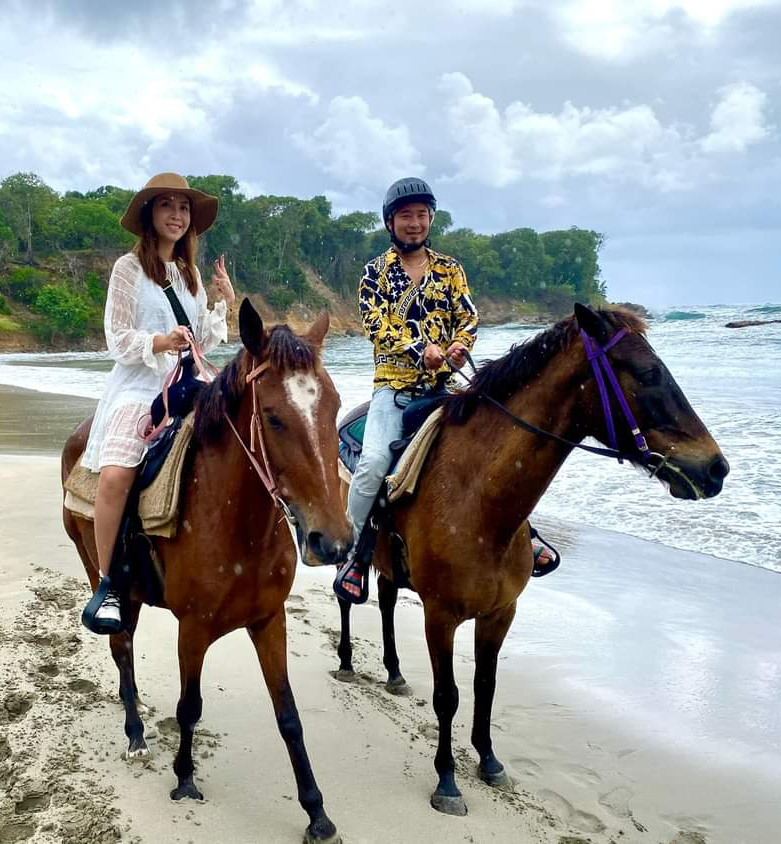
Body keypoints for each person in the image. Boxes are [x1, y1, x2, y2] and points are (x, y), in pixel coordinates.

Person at [80, 173, 235, 633]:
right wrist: (161, 340)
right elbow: (118, 338)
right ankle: (108, 583)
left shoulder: (188, 276)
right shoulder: (128, 270)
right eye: (166, 206)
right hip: (138, 385)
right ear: (150, 215)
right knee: (115, 475)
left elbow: (204, 340)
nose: (176, 215)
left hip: (186, 380)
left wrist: (222, 302)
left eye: (183, 208)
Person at [333, 177, 479, 603]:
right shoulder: (374, 273)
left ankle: (527, 537)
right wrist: (421, 349)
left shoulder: (450, 269)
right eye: (406, 216)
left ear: (430, 219)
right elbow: (376, 324)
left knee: (495, 446)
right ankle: (356, 554)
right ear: (390, 222)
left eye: (421, 215)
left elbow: (467, 316)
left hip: (445, 386)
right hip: (393, 390)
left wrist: (458, 346)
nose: (414, 224)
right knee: (374, 462)